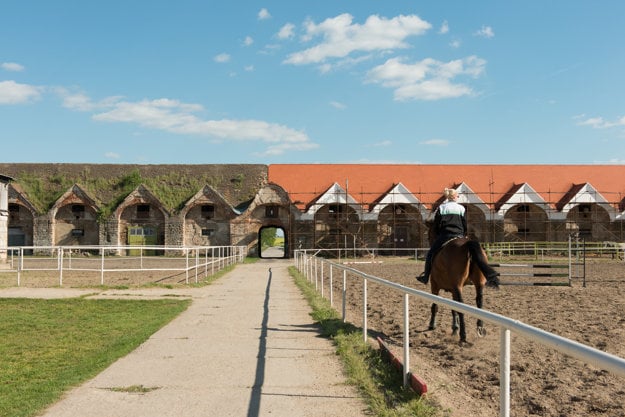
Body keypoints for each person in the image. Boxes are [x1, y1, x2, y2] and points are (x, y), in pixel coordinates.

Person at [417, 188, 499, 288]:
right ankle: (481, 275)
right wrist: (464, 235)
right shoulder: (461, 208)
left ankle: (425, 277)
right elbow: (464, 224)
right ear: (454, 197)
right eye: (458, 196)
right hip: (459, 235)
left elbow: (437, 224)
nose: (458, 197)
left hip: (445, 235)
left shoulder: (442, 208)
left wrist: (438, 234)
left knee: (430, 254)